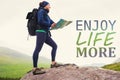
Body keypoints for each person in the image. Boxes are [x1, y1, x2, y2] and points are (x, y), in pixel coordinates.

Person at [32, 1, 61, 75]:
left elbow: (51, 22)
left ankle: (53, 63)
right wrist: (50, 25)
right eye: (49, 5)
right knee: (37, 49)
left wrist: (56, 24)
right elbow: (40, 21)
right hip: (41, 32)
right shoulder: (41, 11)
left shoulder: (46, 14)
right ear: (45, 6)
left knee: (54, 46)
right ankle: (35, 69)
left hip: (45, 33)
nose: (50, 6)